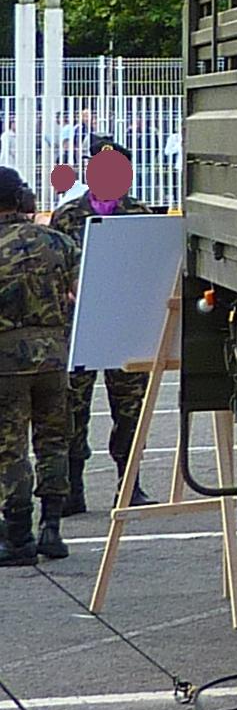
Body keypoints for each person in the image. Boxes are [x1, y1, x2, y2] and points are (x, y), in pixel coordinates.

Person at [54, 138, 144, 507]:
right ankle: (74, 487)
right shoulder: (67, 215)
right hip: (80, 325)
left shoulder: (139, 214)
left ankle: (129, 485)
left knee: (130, 408)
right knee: (73, 407)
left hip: (123, 326)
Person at [0, 167, 78, 566]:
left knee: (10, 448)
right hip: (53, 354)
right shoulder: (58, 241)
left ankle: (17, 535)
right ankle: (52, 527)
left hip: (6, 360)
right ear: (23, 200)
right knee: (52, 440)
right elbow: (81, 289)